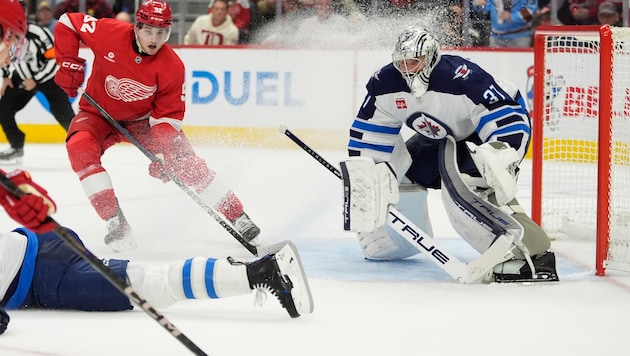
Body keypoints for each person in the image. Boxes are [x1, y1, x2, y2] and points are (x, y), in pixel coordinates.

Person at [343, 26, 559, 283]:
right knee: (396, 176)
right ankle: (399, 242)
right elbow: (370, 132)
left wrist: (501, 153)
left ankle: (530, 255)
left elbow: (506, 114)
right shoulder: (385, 83)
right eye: (402, 63)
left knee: (463, 188)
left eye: (415, 61)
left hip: (481, 134)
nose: (408, 69)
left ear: (431, 57)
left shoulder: (462, 77)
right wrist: (366, 174)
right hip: (441, 136)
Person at [53, 0, 261, 252]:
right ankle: (115, 221)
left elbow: (168, 116)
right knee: (79, 147)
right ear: (136, 27)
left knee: (187, 165)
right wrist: (67, 61)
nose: (155, 38)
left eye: (161, 32)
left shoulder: (172, 66)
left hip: (144, 122)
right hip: (98, 112)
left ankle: (238, 216)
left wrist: (162, 150)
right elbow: (67, 22)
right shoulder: (109, 32)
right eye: (149, 30)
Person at [0, 6, 74, 165]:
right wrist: (6, 76)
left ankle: (80, 144)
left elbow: (55, 59)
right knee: (3, 108)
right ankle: (16, 147)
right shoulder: (7, 32)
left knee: (64, 114)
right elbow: (6, 52)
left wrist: (36, 79)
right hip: (22, 78)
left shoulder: (39, 33)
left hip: (48, 79)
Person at [473, 0, 538, 48]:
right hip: (496, 37)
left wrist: (512, 16)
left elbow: (531, 12)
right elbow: (483, 8)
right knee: (495, 64)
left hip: (520, 37)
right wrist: (477, 4)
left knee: (519, 64)